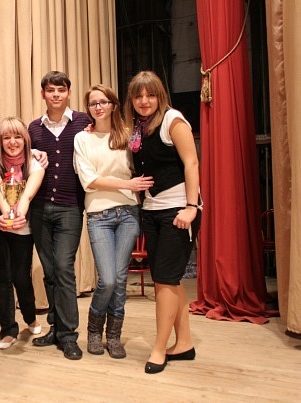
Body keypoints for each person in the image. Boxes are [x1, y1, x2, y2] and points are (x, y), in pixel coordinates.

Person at [123, 71, 201, 374]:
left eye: (150, 95)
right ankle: (184, 343)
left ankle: (159, 348)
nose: (145, 101)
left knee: (164, 281)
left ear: (160, 96)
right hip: (152, 209)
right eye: (139, 96)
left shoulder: (173, 120)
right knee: (168, 279)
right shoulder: (137, 128)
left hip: (177, 209)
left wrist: (191, 207)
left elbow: (191, 163)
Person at [73, 85, 154, 359]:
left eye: (103, 102)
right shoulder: (82, 139)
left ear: (113, 105)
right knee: (107, 280)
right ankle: (94, 330)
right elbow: (89, 180)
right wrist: (127, 184)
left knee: (119, 280)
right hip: (99, 215)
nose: (98, 107)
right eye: (93, 103)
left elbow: (141, 166)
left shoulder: (128, 135)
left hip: (128, 213)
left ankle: (114, 335)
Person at [28, 71, 91, 360]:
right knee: (50, 271)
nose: (56, 94)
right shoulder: (33, 128)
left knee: (64, 268)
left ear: (68, 93)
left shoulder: (83, 122)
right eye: (50, 90)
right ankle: (55, 327)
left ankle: (68, 336)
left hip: (70, 207)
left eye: (61, 90)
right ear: (43, 93)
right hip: (40, 209)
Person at [0, 117, 44, 350]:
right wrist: (5, 216)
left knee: (21, 276)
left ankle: (30, 317)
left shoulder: (35, 164)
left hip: (23, 224)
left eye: (17, 136)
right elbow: (1, 194)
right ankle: (8, 330)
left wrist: (18, 217)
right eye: (6, 137)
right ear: (0, 141)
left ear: (25, 139)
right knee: (4, 276)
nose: (12, 142)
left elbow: (27, 195)